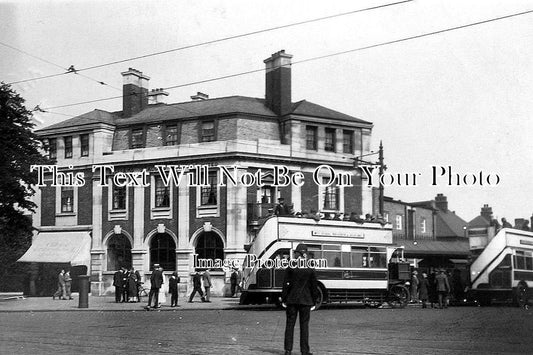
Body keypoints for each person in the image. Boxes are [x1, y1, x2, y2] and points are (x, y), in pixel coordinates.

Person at [282, 243, 319, 355]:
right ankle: (304, 351)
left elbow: (285, 284)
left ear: (297, 254)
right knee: (304, 326)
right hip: (306, 301)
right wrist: (314, 300)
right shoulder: (310, 268)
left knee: (289, 325)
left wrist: (284, 299)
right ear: (305, 254)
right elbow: (314, 286)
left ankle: (288, 350)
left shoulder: (291, 266)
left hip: (292, 301)